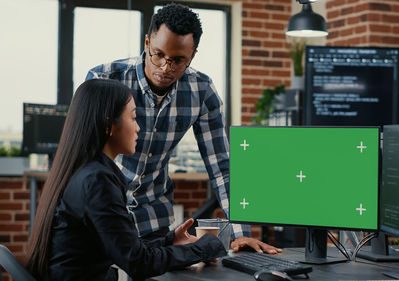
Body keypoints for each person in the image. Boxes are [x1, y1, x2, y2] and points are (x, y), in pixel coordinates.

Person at [86, 3, 280, 254]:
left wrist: (241, 233)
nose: (166, 67)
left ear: (192, 56)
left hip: (152, 219)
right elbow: (83, 155)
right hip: (102, 213)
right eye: (158, 54)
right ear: (147, 43)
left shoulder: (201, 91)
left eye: (178, 60)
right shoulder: (106, 79)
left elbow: (222, 168)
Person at [25, 79, 226, 281]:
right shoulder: (97, 180)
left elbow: (124, 248)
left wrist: (169, 241)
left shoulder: (85, 171)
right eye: (133, 118)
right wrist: (205, 247)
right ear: (108, 125)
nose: (139, 128)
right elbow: (139, 263)